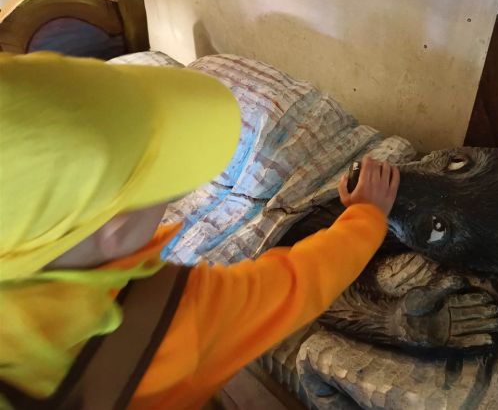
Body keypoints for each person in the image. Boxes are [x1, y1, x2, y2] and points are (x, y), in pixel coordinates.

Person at [0, 53, 400, 409]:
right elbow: (299, 281)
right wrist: (366, 215)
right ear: (116, 230)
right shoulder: (178, 314)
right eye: (162, 187)